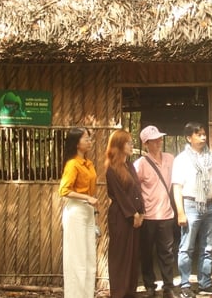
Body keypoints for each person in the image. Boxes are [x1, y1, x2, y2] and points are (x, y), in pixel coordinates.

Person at [172, 122, 212, 298]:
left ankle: (205, 284)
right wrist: (180, 211)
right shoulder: (181, 159)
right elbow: (177, 187)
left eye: (204, 134)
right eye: (199, 134)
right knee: (186, 247)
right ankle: (185, 285)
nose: (203, 137)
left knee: (208, 247)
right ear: (189, 138)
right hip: (190, 205)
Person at [133, 126, 176, 298]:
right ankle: (149, 285)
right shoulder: (140, 164)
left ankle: (168, 286)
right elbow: (134, 189)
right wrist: (138, 210)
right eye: (154, 140)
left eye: (159, 138)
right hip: (148, 216)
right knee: (147, 252)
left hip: (166, 214)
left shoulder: (170, 159)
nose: (158, 142)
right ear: (146, 144)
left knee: (167, 252)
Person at [58, 127, 98, 298]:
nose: (89, 141)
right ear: (76, 143)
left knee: (89, 258)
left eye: (89, 138)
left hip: (88, 212)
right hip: (76, 211)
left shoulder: (88, 163)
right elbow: (64, 191)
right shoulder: (72, 164)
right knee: (77, 259)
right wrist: (87, 198)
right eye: (86, 138)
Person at [105, 129, 145, 298]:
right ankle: (119, 293)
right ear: (119, 145)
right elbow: (120, 195)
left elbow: (137, 189)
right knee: (120, 255)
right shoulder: (112, 169)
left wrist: (141, 211)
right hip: (121, 217)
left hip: (135, 216)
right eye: (128, 142)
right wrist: (133, 214)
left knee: (133, 255)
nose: (131, 145)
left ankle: (130, 291)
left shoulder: (129, 165)